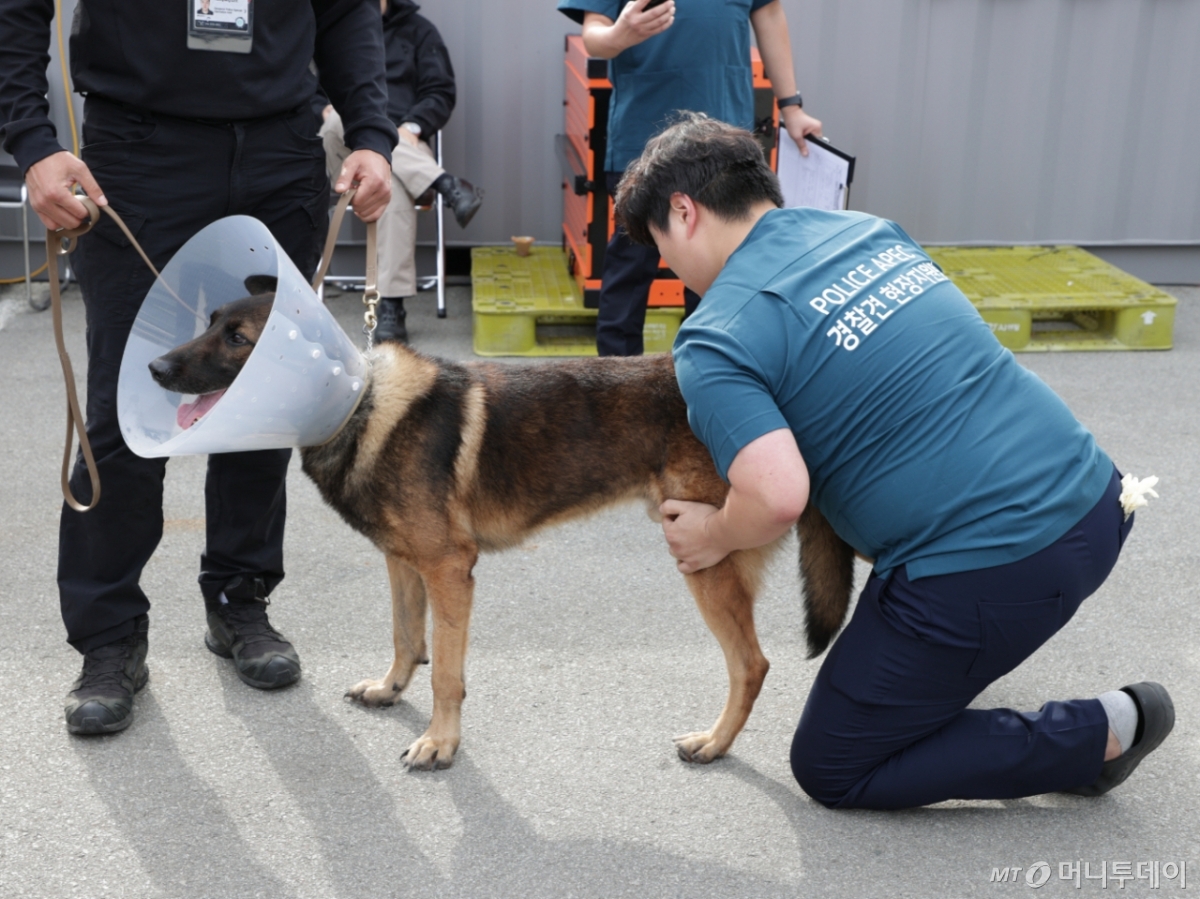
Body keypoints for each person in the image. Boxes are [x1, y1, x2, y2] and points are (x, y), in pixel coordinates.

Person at [616, 113, 1174, 809]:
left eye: (661, 247)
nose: (669, 266)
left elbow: (777, 495)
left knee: (834, 762)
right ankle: (938, 672)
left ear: (684, 211)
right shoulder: (869, 231)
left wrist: (713, 532)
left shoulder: (715, 337)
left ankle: (1097, 733)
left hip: (998, 565)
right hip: (1097, 501)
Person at [0, 0, 396, 735]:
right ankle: (109, 636)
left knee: (264, 399)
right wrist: (32, 141)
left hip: (280, 151)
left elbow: (346, 12)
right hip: (141, 152)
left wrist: (371, 134)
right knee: (123, 407)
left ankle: (239, 599)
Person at [557, 0, 823, 357]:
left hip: (723, 137)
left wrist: (791, 107)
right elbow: (594, 35)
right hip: (644, 136)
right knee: (631, 264)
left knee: (721, 272)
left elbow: (770, 14)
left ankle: (709, 373)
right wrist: (620, 35)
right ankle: (617, 378)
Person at [320, 0, 483, 345]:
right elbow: (297, 83)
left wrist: (413, 125)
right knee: (338, 119)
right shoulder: (324, 20)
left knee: (389, 177)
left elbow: (440, 91)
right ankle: (445, 183)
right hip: (342, 145)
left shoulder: (419, 31)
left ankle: (390, 305)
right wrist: (320, 108)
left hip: (401, 143)